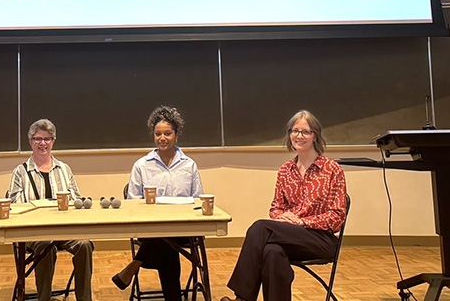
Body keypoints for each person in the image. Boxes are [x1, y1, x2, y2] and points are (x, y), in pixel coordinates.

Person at [222, 110, 347, 301]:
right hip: (289, 235)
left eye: (305, 131)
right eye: (294, 131)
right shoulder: (285, 170)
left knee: (260, 227)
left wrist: (303, 223)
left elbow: (337, 217)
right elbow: (275, 208)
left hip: (321, 239)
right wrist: (283, 217)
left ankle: (243, 298)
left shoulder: (332, 169)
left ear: (315, 135)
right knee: (272, 253)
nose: (299, 136)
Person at [112, 106, 204, 301]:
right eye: (158, 134)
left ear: (176, 135)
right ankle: (173, 298)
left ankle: (134, 265)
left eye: (167, 134)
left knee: (165, 240)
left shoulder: (189, 165)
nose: (162, 138)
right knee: (164, 241)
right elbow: (132, 201)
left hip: (183, 228)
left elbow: (198, 199)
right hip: (151, 228)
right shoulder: (142, 165)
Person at [7, 119, 94, 301]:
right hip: (33, 232)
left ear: (53, 141)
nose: (42, 143)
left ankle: (84, 298)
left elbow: (76, 199)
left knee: (84, 244)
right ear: (30, 142)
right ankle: (43, 298)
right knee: (45, 246)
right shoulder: (20, 172)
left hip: (63, 228)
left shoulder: (64, 169)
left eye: (47, 139)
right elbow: (15, 205)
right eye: (38, 139)